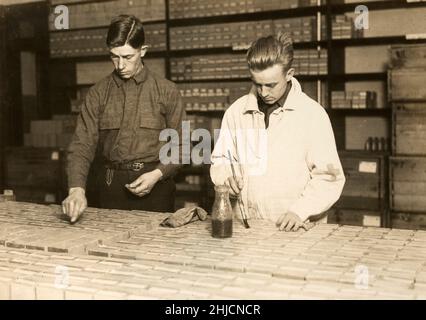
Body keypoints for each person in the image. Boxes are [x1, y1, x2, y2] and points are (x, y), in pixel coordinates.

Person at [210, 32, 345, 232]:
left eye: (271, 85)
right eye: (257, 84)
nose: (264, 93)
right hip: (245, 227)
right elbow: (221, 159)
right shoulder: (236, 112)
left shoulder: (312, 114)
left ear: (289, 74)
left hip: (294, 227)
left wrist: (300, 210)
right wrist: (226, 180)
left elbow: (329, 177)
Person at [62, 15, 185, 223]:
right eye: (114, 56)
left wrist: (157, 174)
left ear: (142, 51)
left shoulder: (167, 91)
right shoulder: (98, 93)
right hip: (111, 188)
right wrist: (76, 189)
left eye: (127, 57)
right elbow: (82, 144)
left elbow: (182, 146)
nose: (120, 65)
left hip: (156, 186)